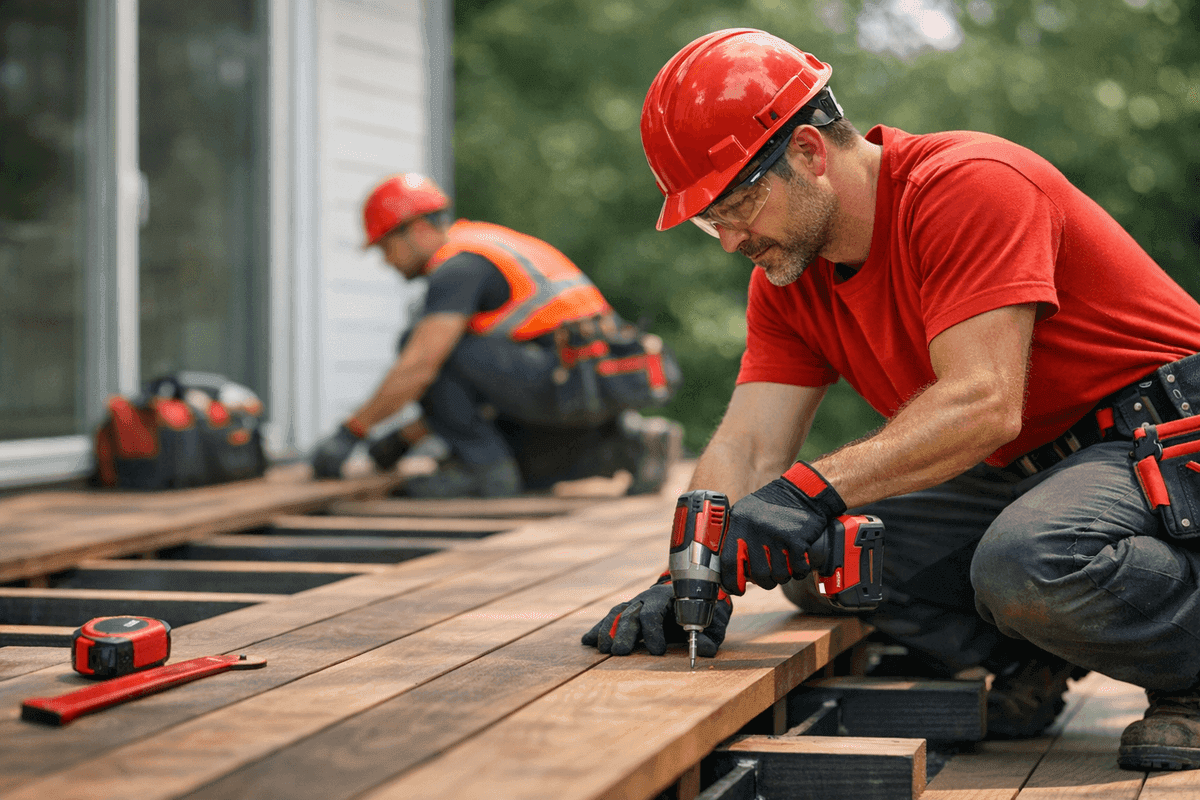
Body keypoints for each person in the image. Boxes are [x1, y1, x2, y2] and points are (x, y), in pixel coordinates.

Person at [582, 28, 1200, 771]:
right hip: (1041, 468)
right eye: (712, 220)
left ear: (809, 152)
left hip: (1163, 437)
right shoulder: (788, 279)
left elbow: (984, 403)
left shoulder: (970, 185)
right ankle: (1030, 657)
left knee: (1026, 560)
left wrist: (808, 490)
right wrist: (689, 571)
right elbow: (749, 444)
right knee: (824, 558)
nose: (729, 239)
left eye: (739, 204)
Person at [310, 173, 682, 498]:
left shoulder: (457, 268)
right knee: (521, 468)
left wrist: (351, 432)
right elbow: (482, 381)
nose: (386, 260)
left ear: (417, 229)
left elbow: (420, 367)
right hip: (594, 380)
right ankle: (629, 445)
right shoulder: (482, 241)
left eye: (386, 246)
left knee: (423, 345)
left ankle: (480, 471)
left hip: (567, 380)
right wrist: (405, 437)